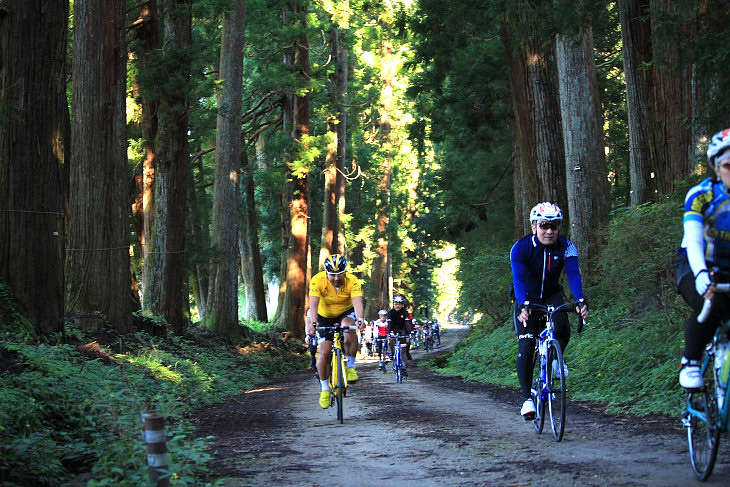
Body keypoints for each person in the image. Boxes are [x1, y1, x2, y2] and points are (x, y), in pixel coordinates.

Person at [510, 202, 588, 420]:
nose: (549, 231)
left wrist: (580, 300)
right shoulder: (521, 247)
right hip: (527, 296)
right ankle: (527, 399)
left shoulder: (567, 247)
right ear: (534, 226)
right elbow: (518, 278)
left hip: (552, 295)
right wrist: (523, 303)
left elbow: (574, 274)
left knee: (563, 329)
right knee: (526, 345)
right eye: (544, 225)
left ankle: (554, 359)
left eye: (554, 226)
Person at [676, 128, 730, 389]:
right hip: (694, 263)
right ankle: (690, 362)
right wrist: (700, 273)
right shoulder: (702, 195)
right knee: (713, 301)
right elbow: (694, 239)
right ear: (717, 168)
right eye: (729, 165)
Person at [306, 254, 366, 409]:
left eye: (340, 273)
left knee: (348, 327)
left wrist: (360, 319)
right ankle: (325, 389)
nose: (336, 278)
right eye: (332, 274)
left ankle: (351, 366)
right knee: (324, 353)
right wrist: (313, 322)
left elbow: (357, 302)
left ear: (345, 272)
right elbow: (313, 304)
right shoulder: (317, 280)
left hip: (344, 313)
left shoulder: (353, 281)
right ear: (326, 273)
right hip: (323, 315)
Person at [387, 295, 412, 373]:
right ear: (394, 304)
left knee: (404, 347)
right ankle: (392, 352)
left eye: (399, 304)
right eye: (396, 304)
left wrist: (409, 333)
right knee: (391, 340)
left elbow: (407, 324)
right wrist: (389, 332)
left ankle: (404, 366)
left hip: (403, 330)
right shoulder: (390, 313)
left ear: (402, 305)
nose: (397, 306)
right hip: (393, 330)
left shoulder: (405, 313)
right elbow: (389, 324)